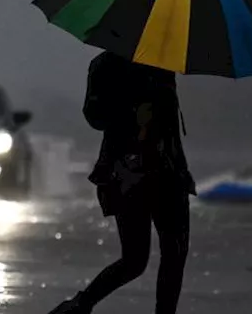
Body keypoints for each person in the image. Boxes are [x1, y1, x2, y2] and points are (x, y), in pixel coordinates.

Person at [49, 50, 196, 314]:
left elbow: (169, 121)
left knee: (174, 254)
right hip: (128, 175)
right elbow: (94, 115)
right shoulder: (106, 64)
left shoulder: (164, 63)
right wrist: (131, 113)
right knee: (135, 259)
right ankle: (81, 304)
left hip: (168, 171)